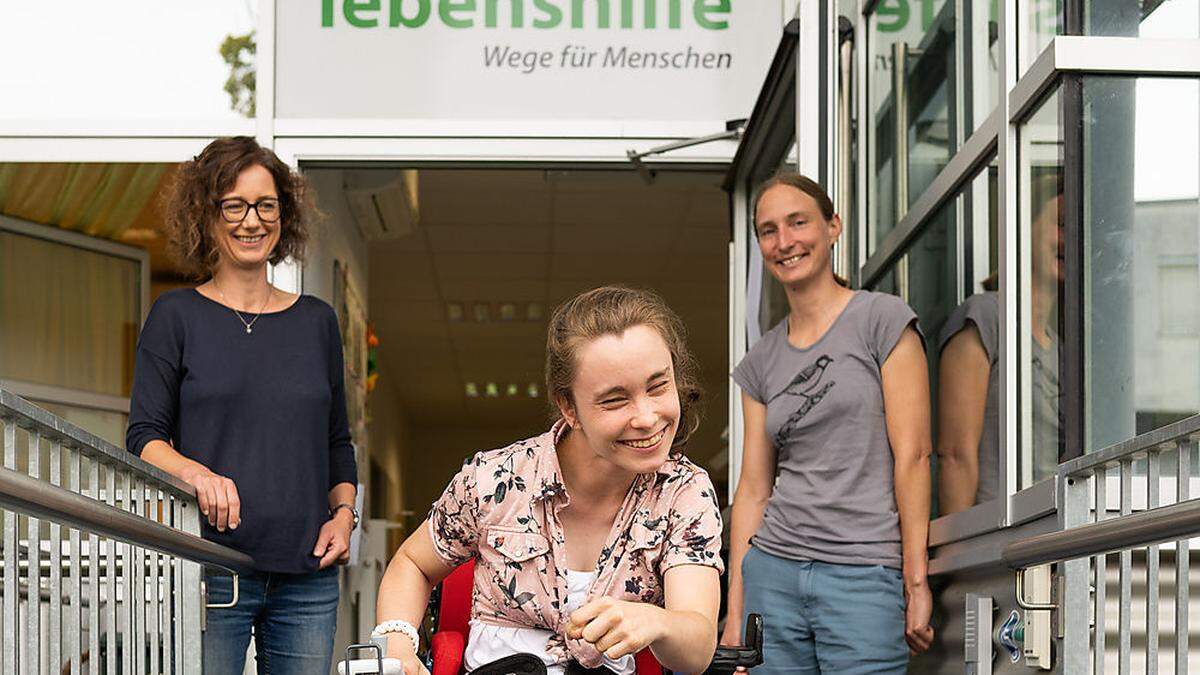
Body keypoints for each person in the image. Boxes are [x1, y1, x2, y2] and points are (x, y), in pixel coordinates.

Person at [374, 286, 724, 675]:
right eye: (614, 400)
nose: (646, 417)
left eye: (658, 386)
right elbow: (413, 563)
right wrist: (398, 645)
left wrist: (658, 622)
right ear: (568, 406)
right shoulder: (493, 480)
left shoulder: (684, 493)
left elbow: (696, 650)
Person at [126, 136, 358, 674]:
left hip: (308, 574)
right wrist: (199, 476)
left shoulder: (318, 321)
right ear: (206, 215)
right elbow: (144, 437)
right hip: (212, 568)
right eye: (234, 205)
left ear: (284, 214)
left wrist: (345, 517)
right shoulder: (176, 315)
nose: (251, 221)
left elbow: (336, 443)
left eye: (265, 205)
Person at [722, 173, 934, 673]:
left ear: (833, 226)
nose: (785, 241)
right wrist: (735, 612)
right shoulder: (761, 361)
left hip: (863, 575)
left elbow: (914, 456)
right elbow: (753, 490)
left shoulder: (882, 320)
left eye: (799, 223)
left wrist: (916, 580)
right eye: (769, 230)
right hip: (771, 573)